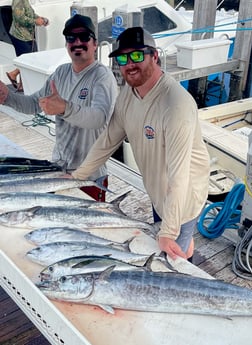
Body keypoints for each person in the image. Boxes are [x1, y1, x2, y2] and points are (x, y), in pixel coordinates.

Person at [71, 26, 210, 260]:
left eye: (137, 55)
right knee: (175, 242)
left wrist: (168, 231)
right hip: (158, 191)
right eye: (123, 58)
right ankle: (185, 248)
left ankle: (186, 259)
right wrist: (78, 175)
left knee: (171, 260)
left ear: (154, 56)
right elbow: (107, 140)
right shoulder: (128, 93)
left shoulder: (176, 105)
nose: (129, 64)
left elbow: (179, 176)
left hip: (183, 196)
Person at [0, 14, 118, 201]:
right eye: (71, 38)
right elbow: (33, 104)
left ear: (95, 44)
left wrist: (65, 108)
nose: (77, 42)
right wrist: (7, 97)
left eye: (84, 37)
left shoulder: (102, 77)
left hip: (89, 177)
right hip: (58, 170)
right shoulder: (61, 73)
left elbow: (99, 118)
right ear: (67, 44)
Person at [7, 0, 49, 92]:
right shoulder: (18, 1)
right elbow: (19, 18)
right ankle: (13, 74)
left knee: (30, 59)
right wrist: (35, 21)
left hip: (27, 35)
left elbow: (30, 14)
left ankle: (22, 85)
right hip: (20, 36)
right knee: (28, 60)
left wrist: (40, 19)